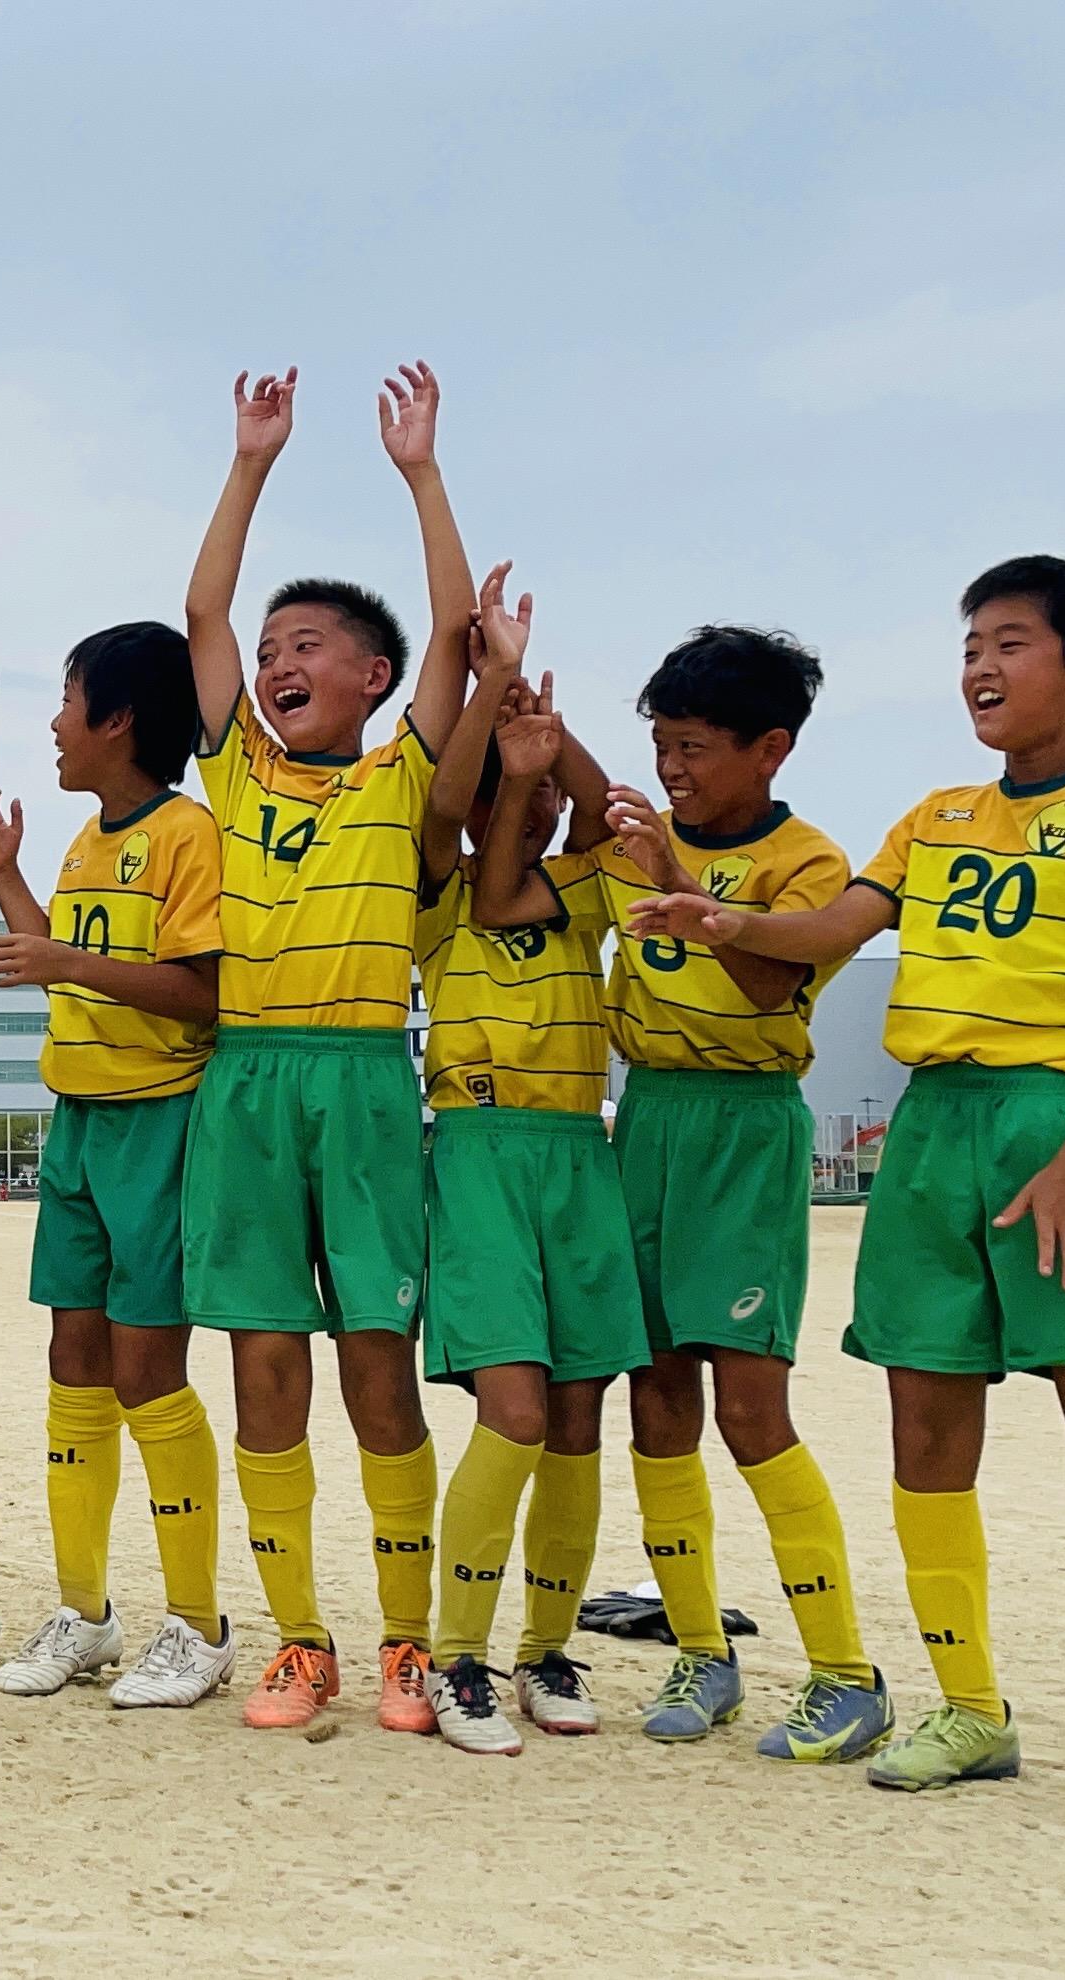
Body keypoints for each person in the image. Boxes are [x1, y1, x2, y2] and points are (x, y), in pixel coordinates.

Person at [630, 553, 1065, 1833]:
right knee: (924, 1434)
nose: (978, 666)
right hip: (932, 1127)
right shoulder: (934, 815)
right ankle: (968, 1710)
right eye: (970, 643)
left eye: (1009, 643)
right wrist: (727, 925)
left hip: (1054, 1123)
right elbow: (836, 932)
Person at [176, 364, 476, 1733]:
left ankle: (407, 1643)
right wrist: (253, 463)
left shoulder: (399, 771)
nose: (285, 662)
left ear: (374, 679)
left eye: (315, 647)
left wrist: (420, 474)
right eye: (277, 645)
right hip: (243, 1076)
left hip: (360, 1074)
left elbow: (460, 632)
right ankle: (302, 1642)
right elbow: (202, 613)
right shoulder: (234, 769)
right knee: (261, 1365)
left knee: (377, 1362)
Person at [589, 626, 892, 1760]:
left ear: (771, 749)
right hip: (649, 1124)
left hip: (744, 1130)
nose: (673, 769)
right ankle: (701, 1651)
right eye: (662, 745)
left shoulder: (807, 861)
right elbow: (582, 784)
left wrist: (687, 893)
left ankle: (843, 1672)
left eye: (697, 748)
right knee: (656, 1397)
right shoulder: (637, 836)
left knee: (752, 1407)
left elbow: (772, 984)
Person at [0, 625, 229, 1705]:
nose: (54, 723)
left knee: (146, 1371)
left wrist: (65, 956)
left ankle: (198, 1625)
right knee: (72, 1363)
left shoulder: (185, 834)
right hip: (76, 1120)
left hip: (160, 1123)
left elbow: (200, 994)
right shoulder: (82, 843)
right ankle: (84, 1613)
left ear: (118, 718)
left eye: (68, 700)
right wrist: (8, 877)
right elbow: (72, 976)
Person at [410, 594, 644, 1757]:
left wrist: (545, 723)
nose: (541, 802)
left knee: (573, 1416)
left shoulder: (590, 888)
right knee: (510, 1410)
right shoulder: (438, 895)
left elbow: (608, 812)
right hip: (477, 1149)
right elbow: (458, 819)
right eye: (519, 785)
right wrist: (489, 726)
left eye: (548, 790)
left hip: (575, 1154)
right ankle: (456, 1660)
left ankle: (545, 1651)